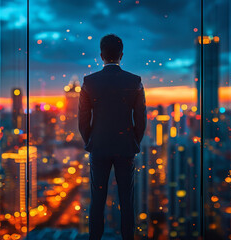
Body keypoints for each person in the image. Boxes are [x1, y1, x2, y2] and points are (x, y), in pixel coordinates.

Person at [78, 34, 146, 240]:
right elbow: (141, 120)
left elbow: (83, 120)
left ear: (101, 56)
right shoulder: (134, 81)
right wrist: (133, 141)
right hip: (125, 147)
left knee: (97, 200)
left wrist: (91, 141)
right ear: (121, 55)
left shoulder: (90, 82)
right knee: (127, 201)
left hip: (99, 147)